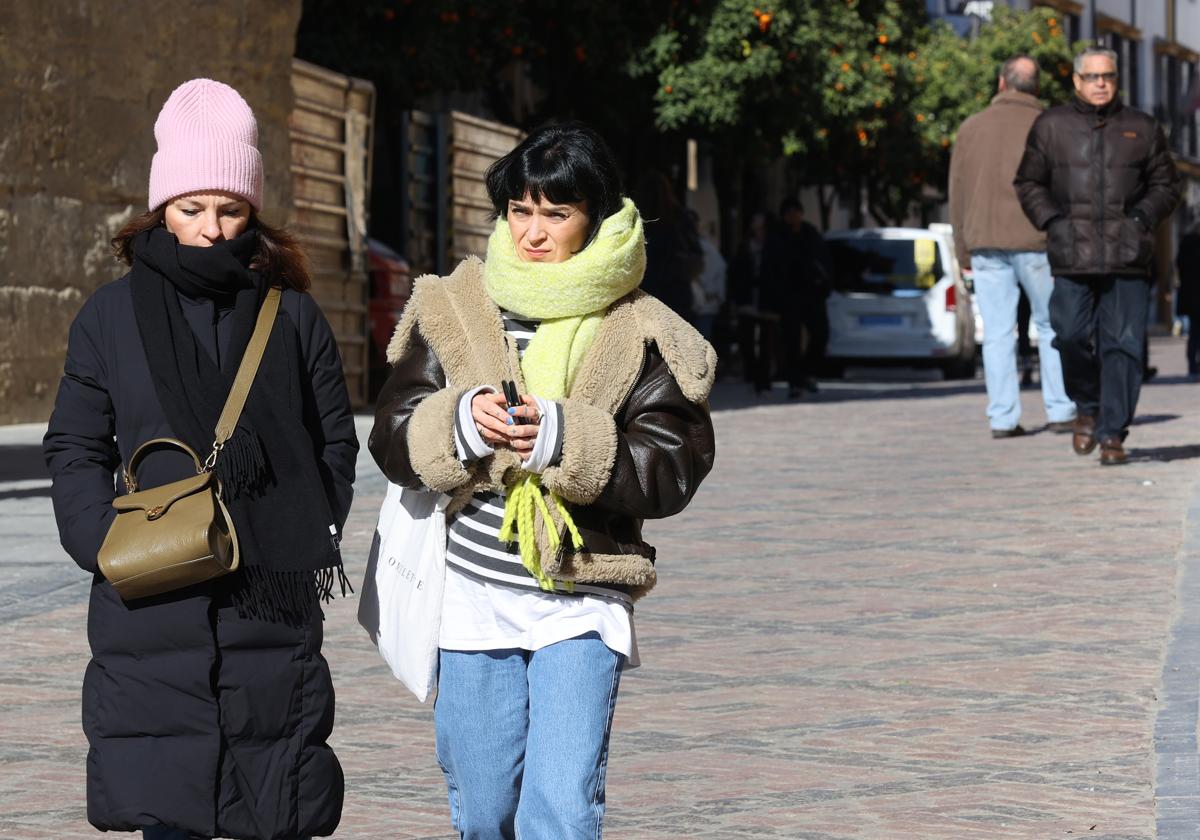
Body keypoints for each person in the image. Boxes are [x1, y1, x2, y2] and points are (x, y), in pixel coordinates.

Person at [368, 122, 716, 839]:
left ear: (595, 217)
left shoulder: (641, 327)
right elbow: (393, 433)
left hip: (579, 598)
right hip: (469, 598)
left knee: (559, 810)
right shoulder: (456, 304)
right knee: (485, 806)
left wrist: (567, 439)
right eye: (521, 211)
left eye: (557, 214)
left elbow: (674, 463)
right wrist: (459, 423)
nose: (534, 231)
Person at [42, 79, 357, 840]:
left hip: (269, 609)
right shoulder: (109, 317)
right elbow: (76, 444)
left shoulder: (295, 316)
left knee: (271, 808)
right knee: (167, 812)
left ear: (253, 210)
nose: (212, 228)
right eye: (191, 208)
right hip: (149, 601)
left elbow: (335, 445)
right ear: (161, 206)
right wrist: (103, 543)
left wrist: (292, 524)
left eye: (231, 209)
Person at [1015, 47, 1181, 465]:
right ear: (1076, 81)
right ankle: (1086, 407)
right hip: (1072, 254)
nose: (1101, 83)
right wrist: (1053, 221)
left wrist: (1141, 219)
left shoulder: (1141, 127)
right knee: (1068, 334)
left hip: (1127, 255)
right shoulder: (1051, 125)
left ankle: (1112, 434)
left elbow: (1166, 184)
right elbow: (1028, 182)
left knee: (1123, 346)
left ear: (1117, 78)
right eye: (1092, 77)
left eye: (1107, 76)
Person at [949, 55, 1076, 439]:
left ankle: (1002, 417)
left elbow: (957, 192)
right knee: (1051, 327)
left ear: (1001, 83)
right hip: (1038, 241)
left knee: (999, 333)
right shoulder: (1051, 125)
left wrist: (962, 247)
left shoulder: (970, 128)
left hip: (986, 240)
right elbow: (1066, 189)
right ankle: (1060, 409)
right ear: (1036, 86)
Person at [728, 209, 787, 393]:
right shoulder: (745, 244)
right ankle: (752, 375)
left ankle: (764, 378)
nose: (756, 221)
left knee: (766, 341)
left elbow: (780, 271)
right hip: (748, 297)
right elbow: (737, 271)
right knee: (747, 339)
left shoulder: (775, 244)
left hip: (767, 298)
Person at [778, 198, 833, 396]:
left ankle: (807, 373)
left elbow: (824, 262)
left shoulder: (811, 235)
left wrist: (824, 285)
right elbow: (773, 268)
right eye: (789, 213)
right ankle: (795, 381)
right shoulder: (779, 237)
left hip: (813, 294)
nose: (793, 216)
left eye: (796, 212)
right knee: (791, 340)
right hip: (789, 296)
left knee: (820, 334)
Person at [635, 170, 702, 323]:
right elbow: (695, 256)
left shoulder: (639, 223)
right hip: (677, 295)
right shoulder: (680, 221)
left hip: (646, 295)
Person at [689, 209, 727, 341]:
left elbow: (719, 270)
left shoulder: (705, 248)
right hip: (701, 305)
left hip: (702, 306)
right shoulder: (705, 247)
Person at [1176, 222, 1200, 379]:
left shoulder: (1186, 243)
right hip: (1194, 295)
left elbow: (1179, 265)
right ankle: (1193, 364)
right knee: (1195, 332)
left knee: (1194, 331)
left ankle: (1192, 365)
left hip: (1191, 296)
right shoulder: (1190, 243)